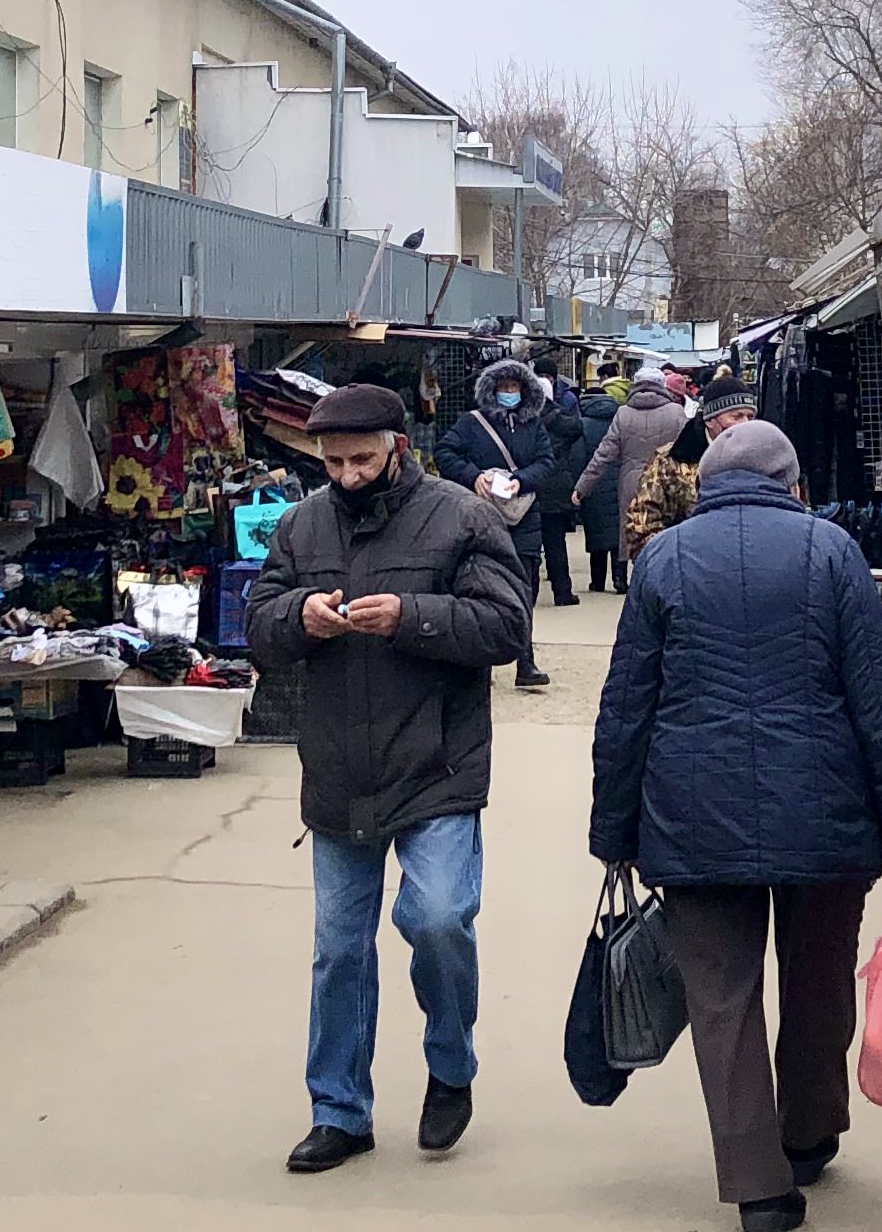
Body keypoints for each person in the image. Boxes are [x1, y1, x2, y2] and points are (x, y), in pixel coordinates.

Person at [593, 422, 882, 1232]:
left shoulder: (663, 560)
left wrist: (614, 831)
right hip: (825, 815)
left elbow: (625, 711)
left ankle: (758, 1187)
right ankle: (809, 1131)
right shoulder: (832, 553)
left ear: (705, 486)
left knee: (721, 999)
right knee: (819, 980)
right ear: (794, 484)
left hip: (691, 820)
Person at [243, 380, 533, 1174]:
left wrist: (413, 616)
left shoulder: (461, 515)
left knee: (438, 920)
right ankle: (338, 1111)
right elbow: (258, 626)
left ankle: (450, 1066)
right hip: (337, 769)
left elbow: (507, 626)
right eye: (332, 461)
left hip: (436, 765)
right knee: (339, 951)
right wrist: (297, 615)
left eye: (360, 459)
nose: (345, 475)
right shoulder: (302, 523)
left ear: (396, 448)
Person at [432, 355, 563, 688]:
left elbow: (547, 462)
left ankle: (525, 660)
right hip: (482, 518)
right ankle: (482, 661)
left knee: (525, 588)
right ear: (492, 390)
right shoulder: (471, 423)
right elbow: (445, 453)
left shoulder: (534, 425)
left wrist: (522, 479)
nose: (509, 393)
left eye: (514, 387)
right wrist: (473, 476)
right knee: (481, 587)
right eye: (503, 387)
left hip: (524, 519)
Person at [585, 372, 690, 582]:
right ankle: (661, 576)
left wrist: (582, 486)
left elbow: (604, 453)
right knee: (666, 528)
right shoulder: (676, 412)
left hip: (630, 480)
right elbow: (689, 447)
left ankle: (621, 578)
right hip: (667, 480)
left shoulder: (623, 413)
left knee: (629, 527)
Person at [546, 371, 622, 602]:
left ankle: (597, 580)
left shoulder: (583, 425)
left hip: (593, 484)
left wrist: (578, 487)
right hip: (617, 483)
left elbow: (578, 457)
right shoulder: (619, 420)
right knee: (619, 535)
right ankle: (620, 579)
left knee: (597, 534)